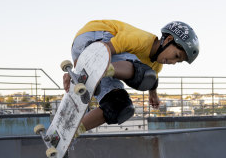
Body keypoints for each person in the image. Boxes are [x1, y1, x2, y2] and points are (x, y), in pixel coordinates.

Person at [63, 19, 200, 135]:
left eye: (178, 61)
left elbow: (153, 80)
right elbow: (103, 49)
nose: (173, 62)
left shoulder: (156, 67)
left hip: (97, 58)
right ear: (168, 40)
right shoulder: (142, 40)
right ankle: (92, 72)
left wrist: (154, 95)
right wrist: (81, 68)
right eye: (176, 56)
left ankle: (71, 132)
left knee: (119, 105)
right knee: (143, 72)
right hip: (94, 36)